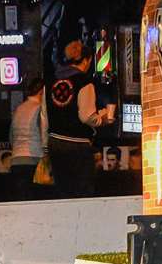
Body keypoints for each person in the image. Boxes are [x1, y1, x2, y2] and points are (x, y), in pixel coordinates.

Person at [46, 41, 115, 198]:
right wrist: (103, 119)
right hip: (77, 145)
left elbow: (44, 116)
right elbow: (87, 116)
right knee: (82, 192)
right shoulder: (84, 82)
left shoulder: (52, 81)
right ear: (87, 60)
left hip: (55, 143)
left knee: (63, 191)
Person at [9, 79, 49, 199]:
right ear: (42, 92)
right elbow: (44, 131)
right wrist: (46, 152)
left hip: (16, 159)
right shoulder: (40, 109)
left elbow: (11, 136)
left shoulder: (19, 109)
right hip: (34, 159)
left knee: (21, 199)